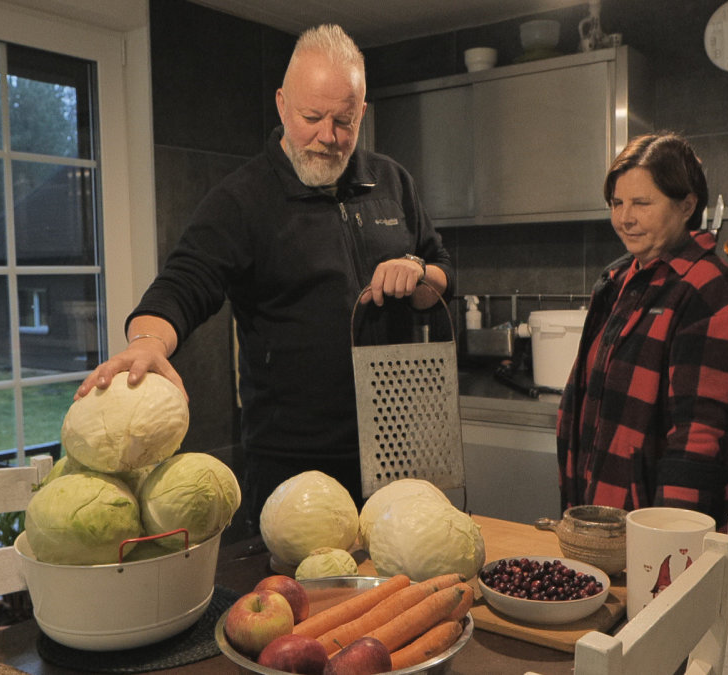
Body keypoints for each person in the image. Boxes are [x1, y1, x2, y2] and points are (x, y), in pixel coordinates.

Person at [76, 24, 454, 529]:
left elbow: (443, 270)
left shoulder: (392, 181)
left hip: (399, 450)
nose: (327, 136)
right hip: (292, 464)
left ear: (362, 112)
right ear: (281, 105)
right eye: (311, 117)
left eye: (343, 121)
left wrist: (419, 272)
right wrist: (147, 341)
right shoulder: (242, 199)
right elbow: (185, 282)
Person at [556, 132, 728, 529]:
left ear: (686, 205)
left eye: (641, 203)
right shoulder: (617, 280)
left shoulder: (708, 291)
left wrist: (673, 547)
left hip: (658, 531)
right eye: (617, 203)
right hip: (600, 519)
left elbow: (697, 440)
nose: (624, 218)